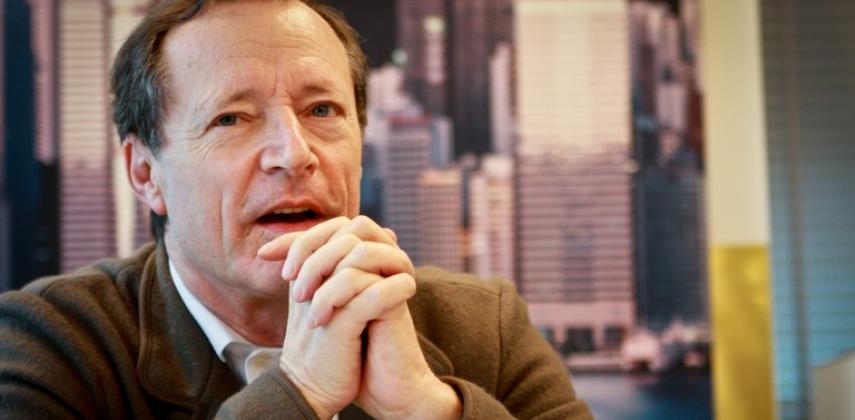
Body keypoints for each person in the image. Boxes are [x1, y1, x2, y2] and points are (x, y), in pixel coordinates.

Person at [0, 0, 593, 418]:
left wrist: (430, 410)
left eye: (322, 111)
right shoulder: (49, 345)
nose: (294, 153)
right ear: (144, 172)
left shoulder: (486, 326)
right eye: (231, 118)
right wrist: (299, 390)